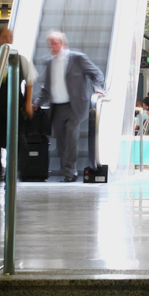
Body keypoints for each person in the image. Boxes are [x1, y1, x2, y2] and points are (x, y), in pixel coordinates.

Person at [34, 30, 104, 183]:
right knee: (60, 141)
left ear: (63, 44)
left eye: (55, 43)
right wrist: (37, 103)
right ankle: (67, 169)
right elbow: (46, 88)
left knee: (71, 136)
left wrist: (98, 87)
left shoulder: (77, 59)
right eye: (50, 44)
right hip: (57, 107)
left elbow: (96, 73)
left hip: (75, 106)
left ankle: (70, 172)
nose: (53, 46)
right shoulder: (50, 63)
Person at [0, 27, 36, 187]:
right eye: (4, 36)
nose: (7, 39)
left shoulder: (19, 58)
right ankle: (0, 171)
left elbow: (30, 80)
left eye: (9, 36)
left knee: (17, 139)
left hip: (15, 105)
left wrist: (28, 103)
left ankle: (15, 171)